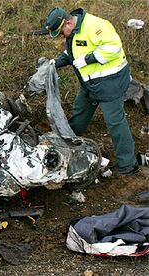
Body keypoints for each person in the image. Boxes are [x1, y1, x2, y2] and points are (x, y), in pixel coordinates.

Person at [44, 7, 139, 175]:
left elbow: (113, 47)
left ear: (68, 22)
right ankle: (68, 144)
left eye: (61, 32)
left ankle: (128, 165)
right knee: (80, 112)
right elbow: (72, 52)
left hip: (111, 83)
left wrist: (88, 59)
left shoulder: (96, 25)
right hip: (90, 84)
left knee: (115, 122)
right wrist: (56, 62)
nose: (61, 36)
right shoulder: (73, 31)